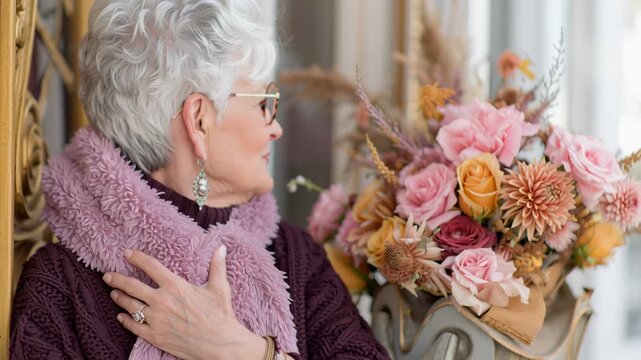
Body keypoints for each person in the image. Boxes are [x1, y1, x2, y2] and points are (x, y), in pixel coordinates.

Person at [10, 1, 389, 359]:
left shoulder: (295, 256)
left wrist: (238, 349)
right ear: (199, 120)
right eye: (264, 103)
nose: (275, 128)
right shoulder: (58, 287)